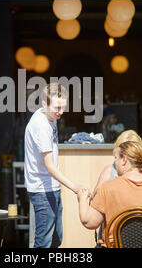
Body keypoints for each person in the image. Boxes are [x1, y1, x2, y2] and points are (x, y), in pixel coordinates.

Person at [24, 82, 87, 248]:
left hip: (51, 187)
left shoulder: (49, 116)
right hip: (42, 189)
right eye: (57, 107)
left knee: (56, 239)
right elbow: (50, 166)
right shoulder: (42, 125)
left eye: (63, 107)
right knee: (43, 243)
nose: (61, 112)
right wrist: (74, 187)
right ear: (44, 104)